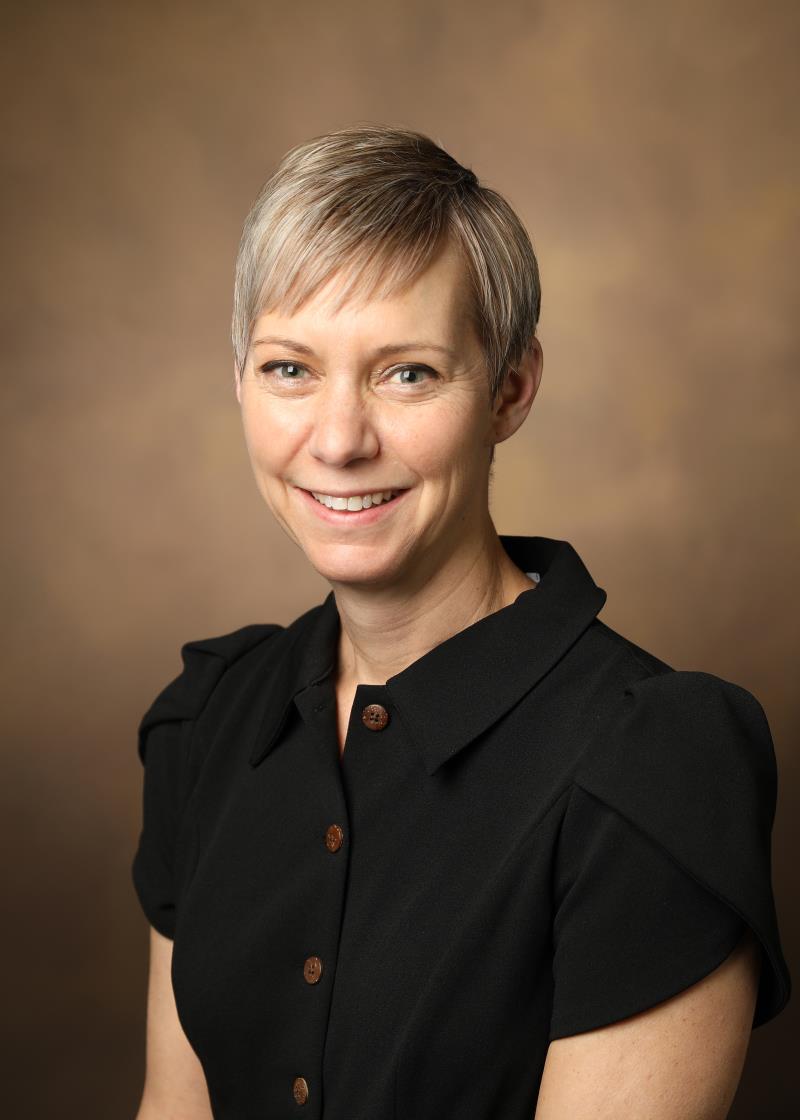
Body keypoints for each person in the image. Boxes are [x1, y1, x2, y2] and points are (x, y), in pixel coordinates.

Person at [131, 124, 790, 1120]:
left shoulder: (650, 764)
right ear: (238, 380)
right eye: (288, 368)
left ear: (509, 391)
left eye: (407, 373)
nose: (339, 439)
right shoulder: (208, 722)